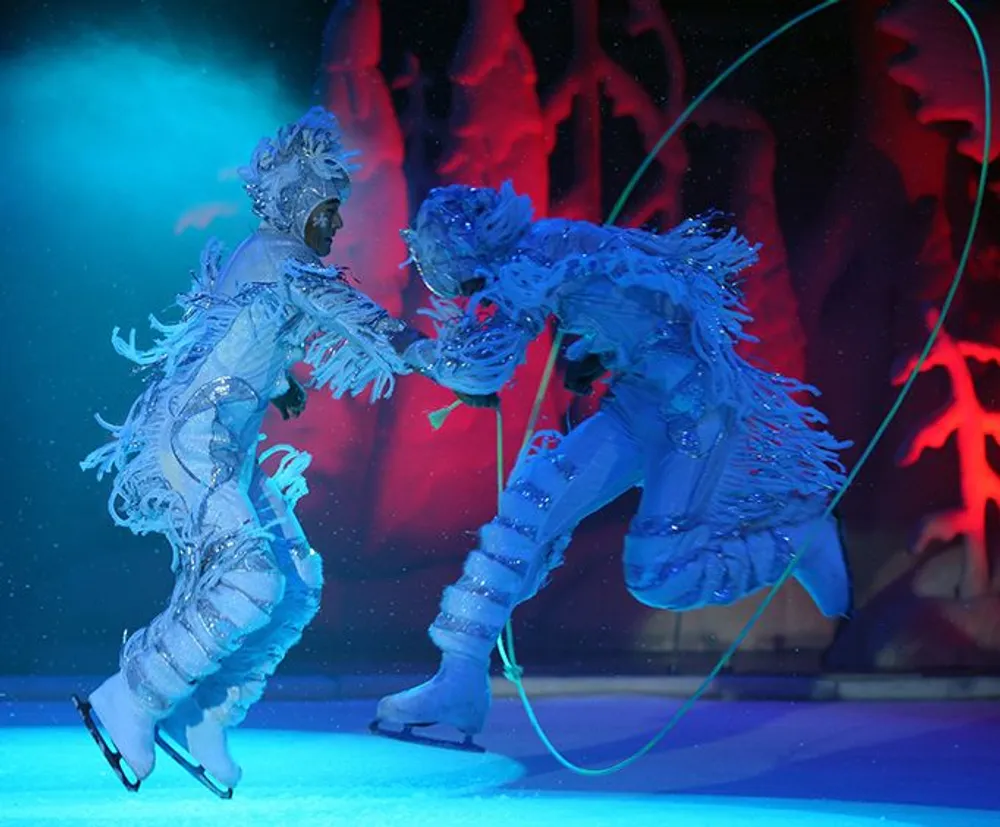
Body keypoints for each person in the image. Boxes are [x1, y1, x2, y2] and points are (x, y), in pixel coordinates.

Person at [374, 181, 853, 747]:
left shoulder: (527, 258)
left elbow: (482, 367)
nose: (472, 292)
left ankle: (797, 541)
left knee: (660, 576)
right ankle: (458, 679)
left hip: (693, 413)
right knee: (532, 504)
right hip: (638, 403)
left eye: (460, 279)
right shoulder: (546, 244)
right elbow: (636, 303)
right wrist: (591, 350)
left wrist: (412, 351)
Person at [76, 107, 434, 796]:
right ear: (300, 204)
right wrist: (436, 356)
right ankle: (134, 695)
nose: (336, 226)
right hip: (195, 441)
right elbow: (363, 322)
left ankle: (206, 713)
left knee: (297, 579)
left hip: (223, 441)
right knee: (252, 577)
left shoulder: (263, 257)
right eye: (329, 210)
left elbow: (231, 334)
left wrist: (276, 383)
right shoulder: (288, 259)